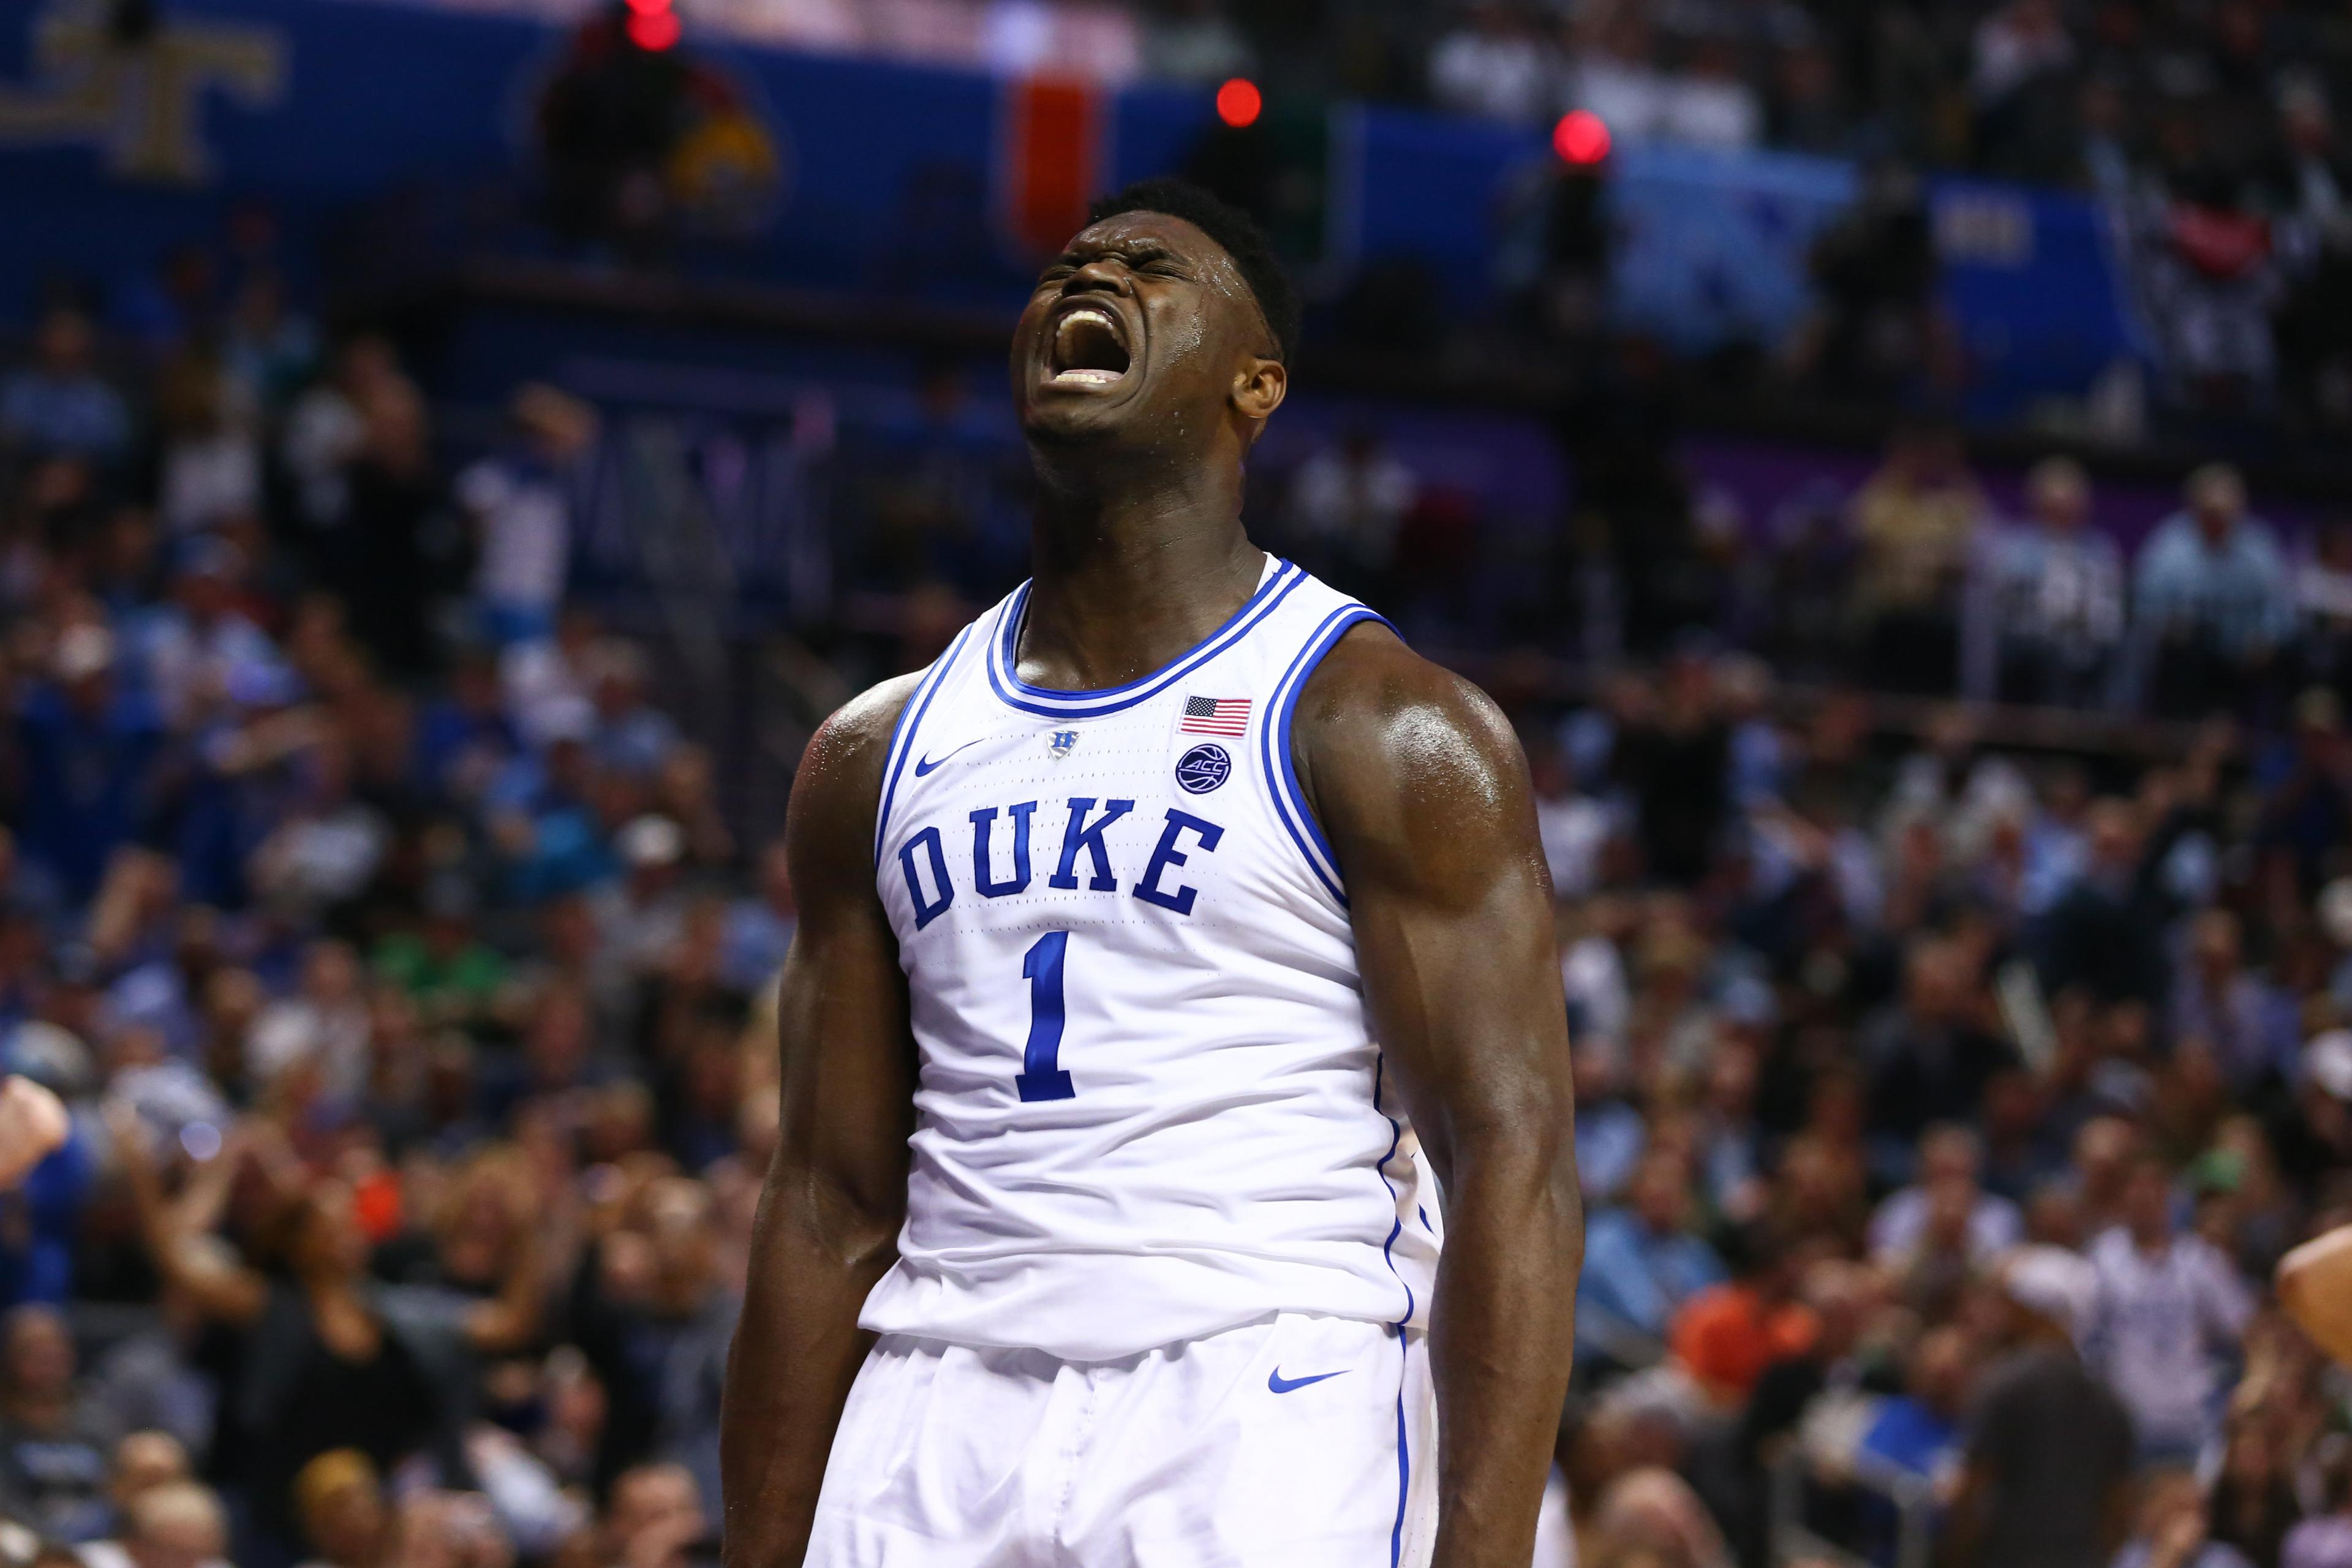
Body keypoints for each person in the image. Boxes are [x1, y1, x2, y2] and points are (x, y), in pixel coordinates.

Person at [719, 179, 1582, 1568]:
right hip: (932, 1398)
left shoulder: (1382, 724)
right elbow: (824, 1196)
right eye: (1068, 262)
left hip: (1255, 1391)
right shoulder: (871, 752)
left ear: (1255, 384)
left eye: (1148, 268)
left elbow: (1512, 1162)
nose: (1092, 278)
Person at [1946, 1247, 2134, 1568]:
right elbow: (2118, 1509)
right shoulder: (2109, 1400)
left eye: (2012, 1304)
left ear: (2032, 1311)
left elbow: (1973, 1491)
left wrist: (1955, 1555)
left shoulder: (2002, 1384)